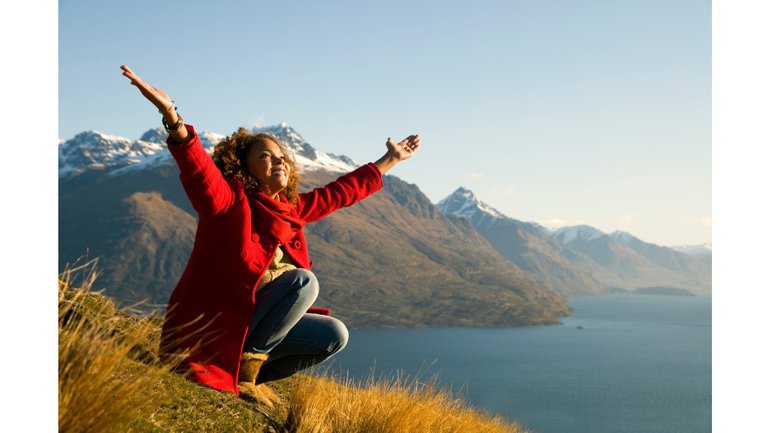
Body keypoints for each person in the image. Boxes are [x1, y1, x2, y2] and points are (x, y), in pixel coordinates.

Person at [120, 65, 421, 407]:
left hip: (253, 324)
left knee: (334, 335)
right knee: (302, 282)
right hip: (213, 329)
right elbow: (198, 171)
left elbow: (341, 192)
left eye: (281, 157)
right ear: (243, 166)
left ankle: (245, 375)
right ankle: (240, 371)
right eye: (265, 156)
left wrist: (389, 160)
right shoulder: (229, 201)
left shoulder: (291, 209)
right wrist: (173, 118)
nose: (278, 161)